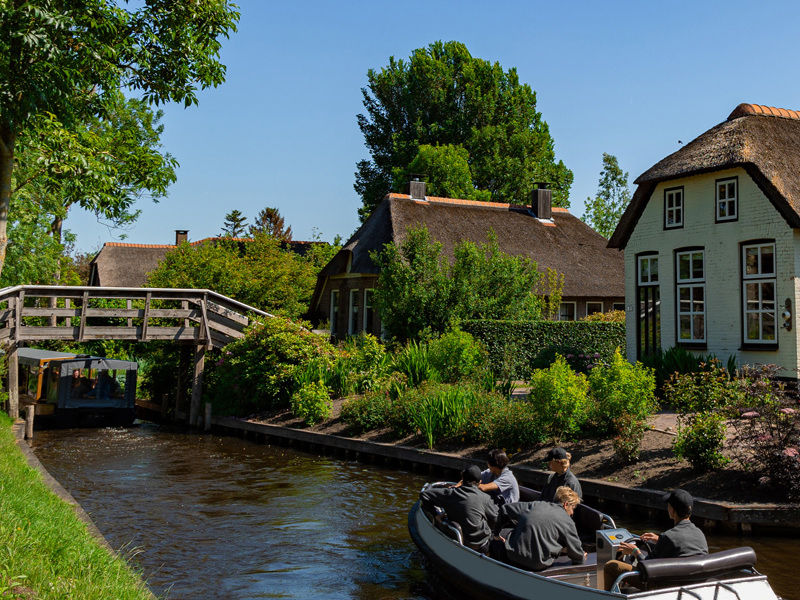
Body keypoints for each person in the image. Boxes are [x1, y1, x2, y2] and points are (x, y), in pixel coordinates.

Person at [603, 489, 708, 591]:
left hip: (665, 587)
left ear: (672, 510)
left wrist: (635, 551)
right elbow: (684, 549)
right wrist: (660, 540)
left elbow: (647, 567)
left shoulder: (668, 536)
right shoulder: (699, 533)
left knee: (610, 566)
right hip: (694, 586)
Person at [490, 486, 586, 571]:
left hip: (513, 557)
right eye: (573, 508)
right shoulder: (568, 522)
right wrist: (581, 556)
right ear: (566, 504)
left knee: (493, 542)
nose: (572, 512)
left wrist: (496, 535)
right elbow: (577, 554)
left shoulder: (535, 505)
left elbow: (504, 510)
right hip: (538, 565)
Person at [420, 464, 498, 554]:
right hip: (482, 543)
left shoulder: (450, 494)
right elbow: (495, 522)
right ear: (479, 482)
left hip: (461, 539)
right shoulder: (485, 498)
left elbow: (424, 494)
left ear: (462, 479)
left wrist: (435, 514)